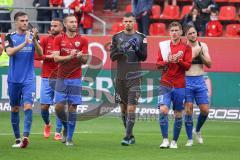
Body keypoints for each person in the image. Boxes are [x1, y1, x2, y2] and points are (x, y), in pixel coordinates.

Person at [4, 11, 43, 148]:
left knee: (28, 106)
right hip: (14, 79)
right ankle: (17, 139)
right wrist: (25, 43)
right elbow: (9, 52)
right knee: (15, 108)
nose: (25, 23)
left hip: (29, 79)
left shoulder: (33, 37)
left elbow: (40, 54)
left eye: (26, 20)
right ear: (16, 22)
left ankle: (25, 137)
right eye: (22, 21)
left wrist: (34, 41)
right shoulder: (9, 37)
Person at [110, 13, 147, 146]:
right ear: (122, 22)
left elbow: (144, 57)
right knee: (123, 109)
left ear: (134, 22)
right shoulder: (116, 37)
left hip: (135, 78)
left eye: (130, 21)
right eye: (125, 21)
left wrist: (136, 49)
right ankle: (130, 135)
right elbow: (112, 57)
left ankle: (126, 137)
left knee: (131, 108)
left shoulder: (141, 37)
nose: (128, 24)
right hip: (120, 78)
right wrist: (122, 49)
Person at [53, 14, 88, 146]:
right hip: (61, 78)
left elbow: (85, 60)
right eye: (71, 22)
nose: (74, 24)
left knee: (73, 108)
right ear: (65, 25)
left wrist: (80, 56)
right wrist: (69, 56)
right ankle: (66, 127)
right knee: (58, 107)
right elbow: (56, 59)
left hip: (76, 79)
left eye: (75, 22)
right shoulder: (58, 39)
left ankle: (69, 138)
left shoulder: (83, 39)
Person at [156, 21, 192, 149]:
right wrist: (167, 61)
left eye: (177, 30)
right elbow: (158, 64)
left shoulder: (186, 47)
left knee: (178, 113)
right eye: (172, 31)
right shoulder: (164, 46)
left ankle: (174, 141)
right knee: (163, 110)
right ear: (169, 33)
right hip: (165, 83)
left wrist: (179, 61)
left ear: (181, 32)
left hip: (179, 84)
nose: (174, 33)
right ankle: (165, 139)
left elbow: (188, 66)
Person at [35, 18, 64, 140]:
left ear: (61, 28)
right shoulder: (45, 39)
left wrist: (54, 57)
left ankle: (58, 131)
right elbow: (37, 56)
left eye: (55, 26)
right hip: (47, 77)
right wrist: (51, 56)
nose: (52, 28)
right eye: (51, 25)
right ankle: (47, 124)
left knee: (59, 106)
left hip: (61, 77)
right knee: (44, 107)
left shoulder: (66, 40)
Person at [184, 24, 212, 146]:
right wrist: (193, 53)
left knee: (205, 110)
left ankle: (197, 130)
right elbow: (183, 64)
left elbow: (209, 64)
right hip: (186, 80)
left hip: (200, 80)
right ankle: (190, 138)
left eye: (194, 32)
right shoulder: (183, 47)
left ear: (197, 33)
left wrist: (200, 53)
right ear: (186, 35)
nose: (192, 35)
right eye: (190, 33)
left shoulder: (203, 46)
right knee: (188, 110)